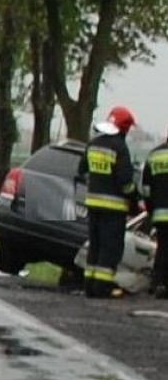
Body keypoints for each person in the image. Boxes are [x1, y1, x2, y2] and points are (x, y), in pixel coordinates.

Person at [78, 106, 138, 299]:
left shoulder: (93, 144)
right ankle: (103, 288)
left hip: (93, 205)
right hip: (113, 208)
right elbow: (126, 182)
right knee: (109, 248)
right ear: (124, 128)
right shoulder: (120, 147)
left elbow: (82, 170)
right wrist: (134, 203)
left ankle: (90, 286)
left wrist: (96, 183)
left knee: (94, 246)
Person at [141, 129, 168, 298]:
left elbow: (146, 189)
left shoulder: (154, 155)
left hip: (159, 214)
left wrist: (151, 210)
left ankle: (157, 283)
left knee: (162, 248)